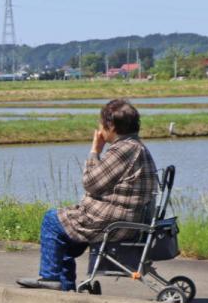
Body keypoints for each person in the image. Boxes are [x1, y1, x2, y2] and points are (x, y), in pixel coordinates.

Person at [16, 99, 157, 292]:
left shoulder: (122, 150)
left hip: (112, 221)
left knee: (51, 220)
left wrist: (95, 151)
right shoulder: (136, 146)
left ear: (112, 126)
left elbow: (91, 183)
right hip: (127, 217)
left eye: (101, 123)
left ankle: (49, 277)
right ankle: (65, 288)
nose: (99, 128)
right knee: (64, 236)